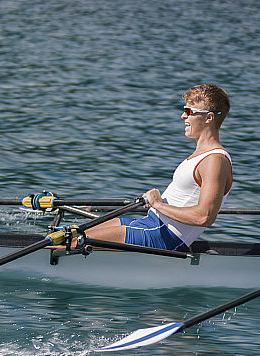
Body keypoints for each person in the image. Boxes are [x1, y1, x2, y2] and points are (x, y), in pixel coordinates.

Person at [83, 84, 233, 251]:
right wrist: (157, 206)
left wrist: (158, 204)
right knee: (74, 233)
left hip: (163, 236)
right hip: (151, 223)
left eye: (190, 112)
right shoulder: (201, 155)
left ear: (209, 118)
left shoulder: (215, 160)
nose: (183, 116)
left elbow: (205, 216)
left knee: (72, 242)